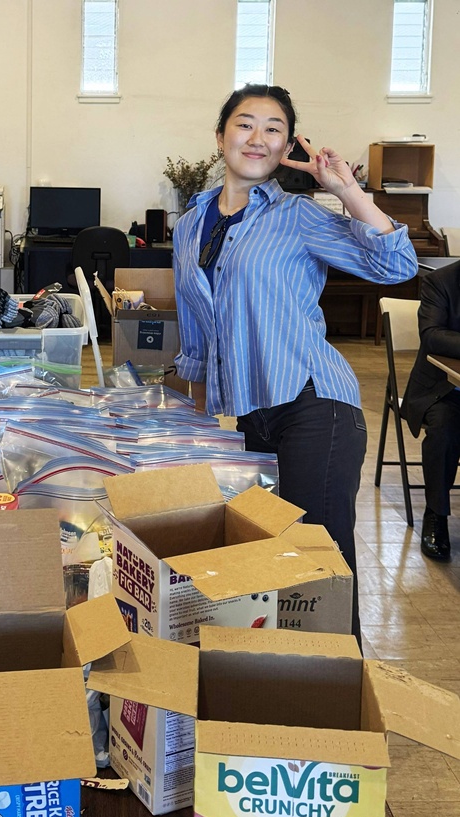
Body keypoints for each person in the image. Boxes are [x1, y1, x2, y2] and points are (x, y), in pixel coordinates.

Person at [172, 84, 418, 642]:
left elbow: (397, 266)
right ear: (220, 136)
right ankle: (279, 682)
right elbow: (197, 334)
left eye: (273, 128)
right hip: (246, 417)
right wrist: (198, 426)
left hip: (312, 404)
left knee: (318, 570)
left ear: (287, 147)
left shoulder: (298, 215)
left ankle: (340, 686)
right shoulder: (189, 224)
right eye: (245, 124)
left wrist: (347, 190)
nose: (257, 138)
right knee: (264, 568)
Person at [401, 260, 460, 560]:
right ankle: (436, 513)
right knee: (445, 429)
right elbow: (432, 335)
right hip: (442, 389)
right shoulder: (441, 281)